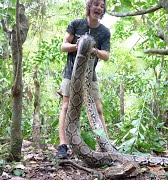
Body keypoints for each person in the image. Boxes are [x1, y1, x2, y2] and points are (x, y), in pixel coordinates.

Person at [55, 0, 110, 159]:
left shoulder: (104, 32)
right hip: (70, 73)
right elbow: (63, 46)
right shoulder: (76, 24)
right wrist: (78, 46)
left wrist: (93, 50)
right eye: (96, 4)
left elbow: (106, 55)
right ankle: (63, 145)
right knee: (66, 105)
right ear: (89, 6)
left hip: (89, 76)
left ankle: (105, 143)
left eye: (102, 6)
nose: (99, 8)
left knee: (98, 109)